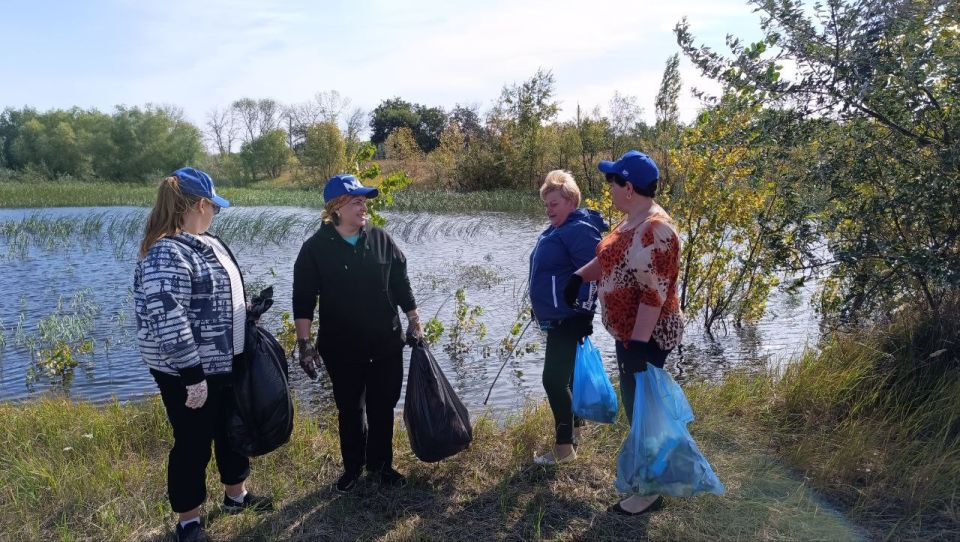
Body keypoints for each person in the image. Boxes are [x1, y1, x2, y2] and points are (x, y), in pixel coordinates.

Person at [564, 150, 724, 515]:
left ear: (629, 187)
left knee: (644, 409)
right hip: (629, 334)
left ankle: (651, 490)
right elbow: (609, 259)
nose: (610, 188)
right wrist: (579, 277)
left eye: (613, 182)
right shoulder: (630, 221)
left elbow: (655, 294)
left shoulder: (657, 230)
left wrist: (638, 344)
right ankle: (656, 473)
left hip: (648, 336)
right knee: (639, 407)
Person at [134, 167, 273, 542]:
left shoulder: (207, 240)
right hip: (189, 371)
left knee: (231, 431)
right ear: (200, 204)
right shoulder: (166, 250)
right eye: (214, 206)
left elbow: (215, 296)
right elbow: (168, 316)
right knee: (193, 442)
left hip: (226, 361)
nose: (216, 213)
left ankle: (236, 497)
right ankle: (189, 522)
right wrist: (192, 375)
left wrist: (248, 312)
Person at [292, 173, 424, 493]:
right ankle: (353, 468)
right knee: (350, 410)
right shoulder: (315, 249)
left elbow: (401, 283)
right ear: (336, 208)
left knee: (382, 407)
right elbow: (303, 299)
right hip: (342, 349)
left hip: (386, 345)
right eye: (356, 202)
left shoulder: (381, 239)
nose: (363, 207)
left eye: (364, 201)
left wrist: (414, 320)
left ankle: (381, 466)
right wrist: (305, 343)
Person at [528, 170, 607, 465]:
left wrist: (583, 313)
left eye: (555, 204)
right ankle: (576, 430)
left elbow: (593, 273)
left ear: (571, 201)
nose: (549, 210)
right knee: (568, 378)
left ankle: (563, 449)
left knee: (553, 380)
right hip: (556, 316)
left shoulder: (579, 229)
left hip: (568, 318)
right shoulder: (556, 229)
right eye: (546, 204)